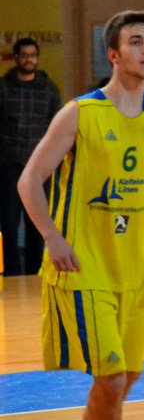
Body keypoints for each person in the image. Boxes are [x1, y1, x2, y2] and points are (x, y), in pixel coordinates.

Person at [17, 12, 144, 417]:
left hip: (133, 271)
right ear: (113, 55)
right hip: (83, 268)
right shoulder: (80, 113)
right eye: (136, 42)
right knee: (112, 377)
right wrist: (52, 237)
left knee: (128, 375)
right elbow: (28, 180)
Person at [1, 38, 63, 276]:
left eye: (33, 55)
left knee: (37, 222)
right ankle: (12, 273)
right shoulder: (3, 87)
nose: (29, 59)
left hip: (40, 166)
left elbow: (57, 127)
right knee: (8, 223)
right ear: (16, 58)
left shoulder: (49, 89)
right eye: (24, 55)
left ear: (38, 58)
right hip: (9, 164)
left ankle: (35, 273)